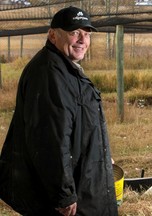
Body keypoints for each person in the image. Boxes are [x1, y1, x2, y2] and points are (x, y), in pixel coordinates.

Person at [0, 6, 118, 216]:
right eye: (74, 33)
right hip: (65, 197)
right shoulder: (49, 74)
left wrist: (99, 152)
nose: (82, 40)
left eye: (86, 33)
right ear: (53, 35)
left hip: (80, 180)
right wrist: (62, 194)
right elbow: (50, 140)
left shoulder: (65, 68)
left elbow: (75, 124)